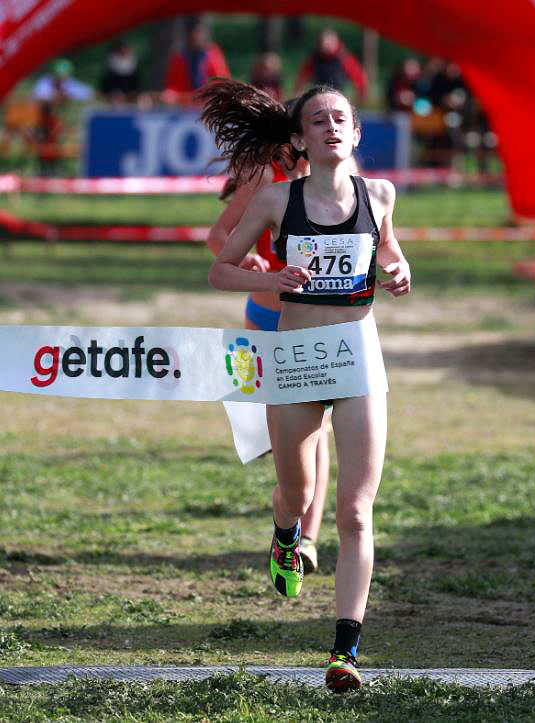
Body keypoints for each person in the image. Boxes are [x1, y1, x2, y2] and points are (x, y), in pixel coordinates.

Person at [201, 79, 410, 691]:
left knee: (355, 511)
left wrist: (398, 271)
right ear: (300, 138)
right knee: (295, 492)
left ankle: (346, 651)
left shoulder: (380, 194)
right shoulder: (274, 199)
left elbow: (390, 252)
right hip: (295, 358)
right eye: (318, 120)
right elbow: (220, 270)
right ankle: (286, 532)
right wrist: (272, 278)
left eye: (340, 117)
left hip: (357, 357)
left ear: (357, 132)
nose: (331, 126)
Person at [206, 122, 327, 575]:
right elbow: (218, 235)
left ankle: (307, 539)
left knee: (318, 432)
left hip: (314, 324)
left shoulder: (342, 180)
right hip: (262, 317)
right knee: (276, 438)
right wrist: (246, 257)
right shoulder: (262, 178)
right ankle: (290, 517)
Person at [163, 17, 230, 105]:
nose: (196, 37)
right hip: (185, 105)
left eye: (199, 33)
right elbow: (174, 87)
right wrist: (171, 95)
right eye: (193, 34)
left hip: (207, 103)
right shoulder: (180, 57)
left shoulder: (213, 55)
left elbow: (221, 83)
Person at [295, 29, 368, 104]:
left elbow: (358, 76)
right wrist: (298, 91)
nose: (325, 45)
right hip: (319, 96)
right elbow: (303, 75)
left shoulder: (344, 57)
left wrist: (362, 93)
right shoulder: (314, 58)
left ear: (336, 42)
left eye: (329, 42)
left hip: (338, 96)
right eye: (323, 42)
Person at [100, 39, 141, 104]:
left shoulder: (132, 61)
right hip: (113, 88)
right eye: (122, 49)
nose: (124, 51)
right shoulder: (112, 61)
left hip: (129, 90)